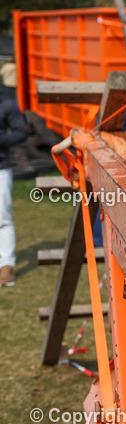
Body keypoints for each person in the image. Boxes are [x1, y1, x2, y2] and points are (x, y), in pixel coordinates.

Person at [0, 90, 27, 285]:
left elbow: (21, 132)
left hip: (1, 169)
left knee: (3, 218)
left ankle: (6, 266)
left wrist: (2, 141)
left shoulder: (7, 103)